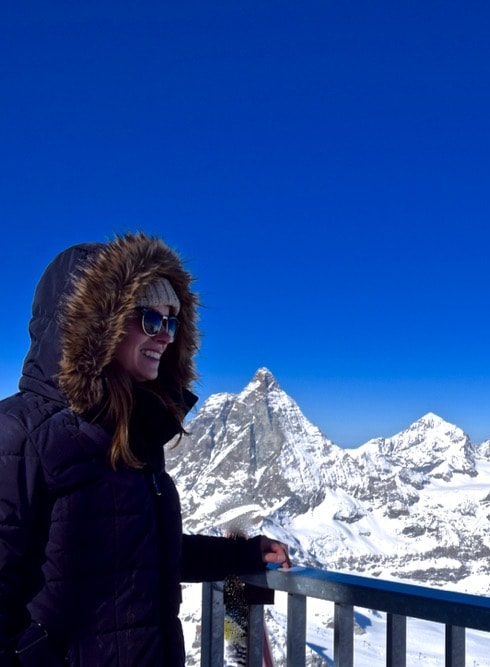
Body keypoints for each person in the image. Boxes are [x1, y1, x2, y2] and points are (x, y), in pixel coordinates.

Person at [0, 232, 291, 666]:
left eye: (172, 321)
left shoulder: (133, 437)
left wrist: (240, 555)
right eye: (150, 319)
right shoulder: (20, 433)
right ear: (98, 324)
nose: (165, 337)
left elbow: (141, 553)